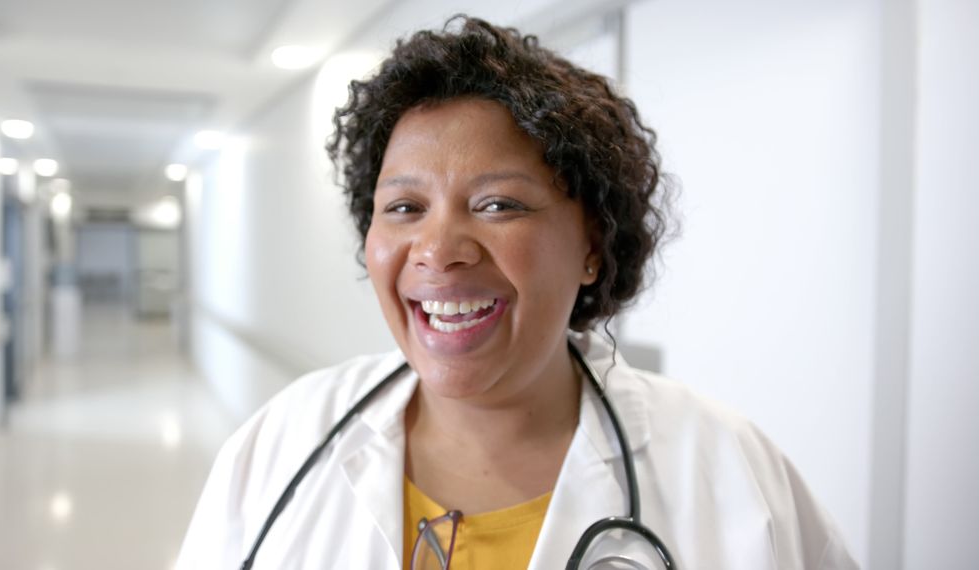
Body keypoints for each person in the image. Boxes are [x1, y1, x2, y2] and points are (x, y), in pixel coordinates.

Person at [177, 16, 858, 570]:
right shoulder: (280, 445)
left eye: (498, 203)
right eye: (405, 208)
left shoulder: (730, 473)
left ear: (593, 243)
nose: (439, 250)